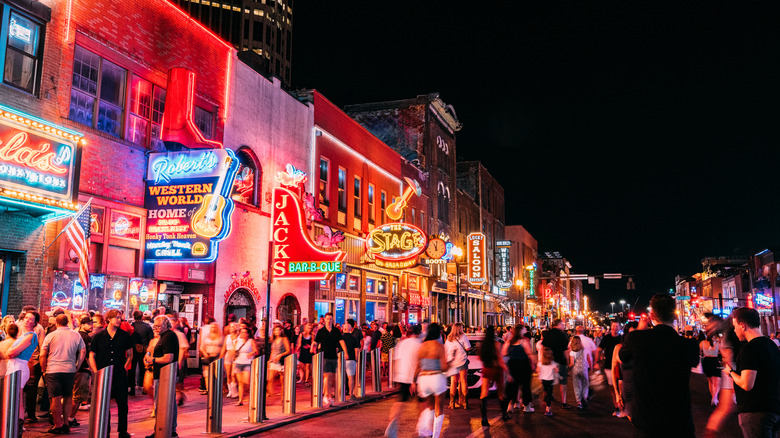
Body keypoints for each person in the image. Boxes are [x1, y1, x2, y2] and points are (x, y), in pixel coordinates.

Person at [618, 293, 699, 437]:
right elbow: (695, 361)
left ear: (652, 315)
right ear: (674, 316)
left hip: (647, 422)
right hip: (679, 423)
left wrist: (640, 331)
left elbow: (622, 357)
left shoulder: (636, 339)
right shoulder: (689, 345)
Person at [725, 307, 780, 438]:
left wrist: (730, 372)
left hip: (755, 411)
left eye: (735, 326)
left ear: (742, 326)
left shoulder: (749, 348)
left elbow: (746, 384)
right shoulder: (772, 345)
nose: (734, 330)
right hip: (774, 408)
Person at [88, 309, 132, 438]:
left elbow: (130, 354)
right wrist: (96, 372)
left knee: (122, 403)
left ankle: (122, 431)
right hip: (103, 374)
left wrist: (124, 368)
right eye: (116, 317)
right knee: (104, 403)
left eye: (120, 318)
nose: (119, 320)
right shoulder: (99, 336)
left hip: (119, 374)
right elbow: (92, 355)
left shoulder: (124, 335)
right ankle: (105, 429)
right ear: (109, 319)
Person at [704, 314, 741, 438]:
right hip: (732, 370)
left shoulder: (725, 333)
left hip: (731, 370)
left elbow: (728, 354)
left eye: (710, 323)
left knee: (727, 407)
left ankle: (711, 431)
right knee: (726, 407)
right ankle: (711, 432)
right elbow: (728, 356)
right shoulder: (726, 333)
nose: (708, 327)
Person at [145, 315, 179, 438]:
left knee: (162, 404)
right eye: (155, 326)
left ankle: (163, 430)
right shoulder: (164, 336)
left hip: (165, 375)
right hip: (163, 374)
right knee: (166, 403)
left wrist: (152, 359)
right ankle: (166, 430)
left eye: (159, 326)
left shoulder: (168, 336)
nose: (156, 328)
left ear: (166, 325)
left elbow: (168, 358)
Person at [385, 324, 421, 438]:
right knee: (421, 403)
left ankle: (392, 423)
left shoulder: (402, 343)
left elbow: (396, 360)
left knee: (400, 402)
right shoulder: (419, 344)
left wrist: (395, 376)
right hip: (413, 377)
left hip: (401, 376)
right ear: (419, 333)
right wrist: (414, 381)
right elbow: (419, 363)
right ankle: (421, 428)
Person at [5, 312, 38, 429]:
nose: (27, 320)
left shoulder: (31, 336)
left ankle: (18, 426)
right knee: (12, 397)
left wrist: (10, 352)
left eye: (30, 319)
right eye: (26, 318)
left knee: (17, 398)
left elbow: (12, 352)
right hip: (14, 365)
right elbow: (10, 352)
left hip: (19, 366)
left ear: (35, 323)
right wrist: (10, 352)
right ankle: (13, 424)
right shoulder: (23, 335)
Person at [415, 323, 448, 438]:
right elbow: (444, 367)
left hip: (423, 379)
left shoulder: (422, 346)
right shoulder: (439, 346)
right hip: (436, 377)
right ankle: (435, 435)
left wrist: (413, 381)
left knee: (430, 407)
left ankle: (424, 429)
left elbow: (418, 365)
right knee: (439, 408)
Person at [310, 312, 347, 407]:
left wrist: (346, 352)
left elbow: (341, 341)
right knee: (327, 376)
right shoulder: (321, 331)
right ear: (324, 320)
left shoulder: (336, 331)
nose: (329, 321)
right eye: (327, 319)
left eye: (330, 319)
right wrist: (312, 347)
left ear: (332, 320)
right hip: (324, 356)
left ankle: (326, 394)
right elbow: (315, 341)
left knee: (331, 377)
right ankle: (327, 396)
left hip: (333, 356)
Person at [502, 324, 534, 415]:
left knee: (513, 386)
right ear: (520, 331)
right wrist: (533, 364)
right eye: (524, 329)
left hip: (512, 365)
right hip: (523, 365)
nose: (525, 330)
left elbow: (504, 353)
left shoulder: (509, 342)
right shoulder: (523, 341)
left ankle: (510, 405)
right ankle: (526, 405)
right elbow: (529, 354)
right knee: (525, 386)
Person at [479, 326, 509, 425]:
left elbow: (480, 358)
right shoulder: (496, 344)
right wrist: (507, 371)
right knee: (501, 393)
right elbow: (500, 359)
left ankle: (484, 418)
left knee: (484, 393)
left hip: (486, 369)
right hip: (496, 369)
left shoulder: (483, 345)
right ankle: (504, 414)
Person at [542, 319, 570, 409]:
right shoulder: (563, 335)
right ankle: (563, 402)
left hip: (549, 361)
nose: (563, 326)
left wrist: (543, 359)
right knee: (563, 382)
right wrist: (568, 361)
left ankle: (547, 401)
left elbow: (544, 348)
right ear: (559, 324)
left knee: (549, 382)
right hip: (561, 360)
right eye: (562, 324)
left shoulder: (547, 334)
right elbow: (566, 350)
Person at [597, 321, 623, 415]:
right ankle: (617, 407)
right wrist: (596, 362)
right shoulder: (606, 338)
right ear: (611, 327)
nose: (615, 328)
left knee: (621, 386)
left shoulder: (622, 338)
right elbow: (599, 349)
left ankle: (622, 406)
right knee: (612, 387)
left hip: (620, 366)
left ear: (619, 328)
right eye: (613, 326)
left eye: (617, 326)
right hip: (609, 366)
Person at [69, 316, 92, 419]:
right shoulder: (86, 338)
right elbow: (87, 355)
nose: (91, 326)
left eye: (92, 324)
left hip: (72, 368)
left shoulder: (75, 335)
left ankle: (67, 417)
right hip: (82, 369)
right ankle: (71, 418)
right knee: (78, 396)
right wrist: (91, 368)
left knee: (70, 395)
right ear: (82, 325)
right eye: (88, 324)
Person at [444, 322, 471, 410]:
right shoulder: (463, 337)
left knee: (453, 381)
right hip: (462, 361)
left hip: (452, 362)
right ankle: (465, 403)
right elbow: (467, 348)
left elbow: (446, 350)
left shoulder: (449, 338)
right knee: (463, 381)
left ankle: (452, 403)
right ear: (460, 329)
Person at [130, 310, 153, 396]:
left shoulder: (131, 326)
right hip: (143, 349)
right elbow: (151, 338)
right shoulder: (147, 326)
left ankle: (132, 388)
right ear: (142, 316)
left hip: (133, 349)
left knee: (132, 369)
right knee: (143, 367)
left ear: (134, 316)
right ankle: (143, 387)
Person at [198, 320, 223, 395]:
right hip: (208, 356)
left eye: (215, 327)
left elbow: (223, 347)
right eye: (212, 327)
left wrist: (221, 356)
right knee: (206, 374)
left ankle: (216, 390)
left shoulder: (221, 337)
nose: (213, 329)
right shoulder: (206, 337)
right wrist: (205, 354)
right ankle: (209, 390)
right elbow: (201, 347)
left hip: (216, 357)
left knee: (216, 374)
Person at [264, 326, 288, 405]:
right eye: (275, 330)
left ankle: (283, 398)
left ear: (281, 331)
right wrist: (270, 360)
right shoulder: (273, 340)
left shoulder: (284, 339)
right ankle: (270, 394)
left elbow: (288, 350)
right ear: (273, 332)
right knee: (270, 379)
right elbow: (273, 351)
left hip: (281, 361)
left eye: (279, 330)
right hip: (274, 361)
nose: (277, 331)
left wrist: (280, 355)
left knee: (282, 381)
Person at [568, 335, 592, 410]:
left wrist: (567, 368)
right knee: (585, 384)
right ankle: (584, 397)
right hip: (584, 369)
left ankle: (579, 402)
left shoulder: (572, 352)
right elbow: (589, 360)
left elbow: (572, 364)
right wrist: (591, 369)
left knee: (577, 386)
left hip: (575, 370)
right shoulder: (585, 350)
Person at [700, 332, 722, 406]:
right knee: (716, 381)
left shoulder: (702, 343)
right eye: (714, 337)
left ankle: (714, 398)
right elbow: (723, 353)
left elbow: (699, 352)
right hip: (715, 361)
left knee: (711, 381)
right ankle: (714, 398)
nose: (715, 338)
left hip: (706, 361)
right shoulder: (718, 344)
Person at [538, 347, 559, 416]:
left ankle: (544, 401)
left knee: (545, 390)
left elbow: (538, 370)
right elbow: (556, 370)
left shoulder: (540, 363)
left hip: (543, 380)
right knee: (550, 393)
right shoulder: (553, 363)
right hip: (550, 380)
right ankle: (548, 408)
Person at [341, 322, 360, 398]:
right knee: (351, 377)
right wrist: (356, 359)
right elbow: (356, 350)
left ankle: (340, 393)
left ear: (344, 329)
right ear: (350, 329)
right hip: (351, 359)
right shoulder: (354, 338)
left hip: (341, 359)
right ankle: (351, 393)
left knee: (341, 377)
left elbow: (336, 349)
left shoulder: (340, 338)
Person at [221, 322, 239, 398]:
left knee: (233, 374)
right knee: (228, 374)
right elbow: (224, 348)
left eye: (233, 327)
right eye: (230, 327)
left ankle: (234, 391)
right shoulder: (227, 337)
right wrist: (221, 357)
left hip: (235, 356)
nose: (231, 328)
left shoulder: (239, 337)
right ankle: (230, 390)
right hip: (228, 355)